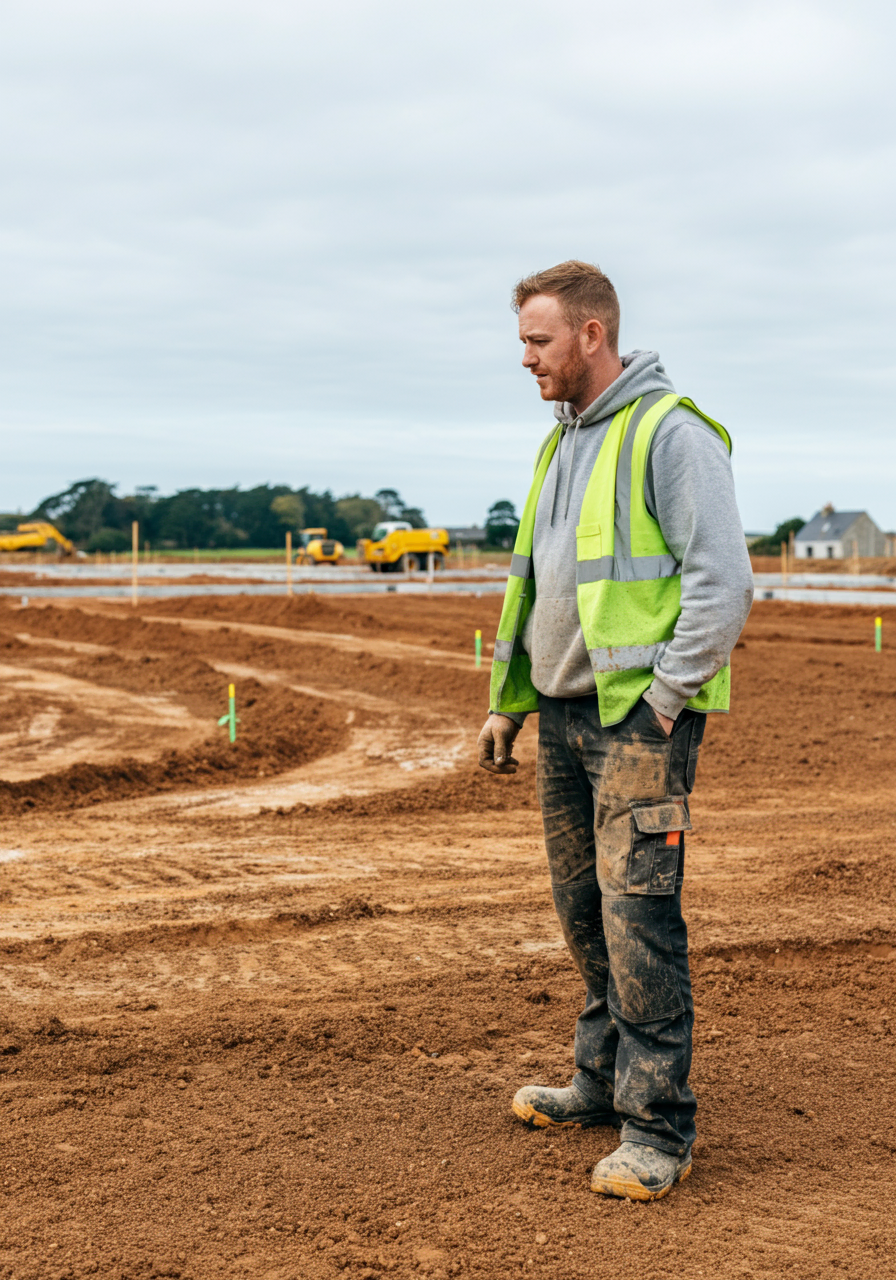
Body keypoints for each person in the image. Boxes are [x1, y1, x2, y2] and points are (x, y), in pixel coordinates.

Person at [477, 260, 753, 1201]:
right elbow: (540, 584)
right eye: (523, 340)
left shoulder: (669, 434)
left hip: (637, 720)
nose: (526, 359)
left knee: (640, 919)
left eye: (539, 341)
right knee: (584, 911)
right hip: (560, 715)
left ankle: (657, 1127)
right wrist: (509, 702)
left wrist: (664, 699)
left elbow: (723, 583)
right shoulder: (562, 439)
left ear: (592, 335)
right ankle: (599, 1081)